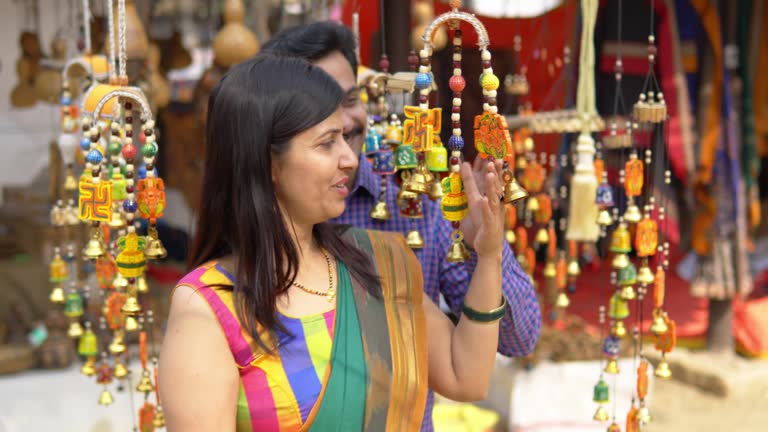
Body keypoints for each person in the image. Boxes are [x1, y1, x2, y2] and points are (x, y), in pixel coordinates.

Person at [159, 56, 507, 431]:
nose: (349, 158)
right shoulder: (210, 307)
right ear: (267, 163)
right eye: (327, 144)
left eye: (345, 137)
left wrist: (488, 255)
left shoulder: (374, 263)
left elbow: (465, 376)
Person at [260, 21, 541, 430]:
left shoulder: (413, 198)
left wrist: (486, 253)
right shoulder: (254, 222)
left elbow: (516, 341)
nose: (344, 122)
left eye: (349, 99)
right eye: (320, 111)